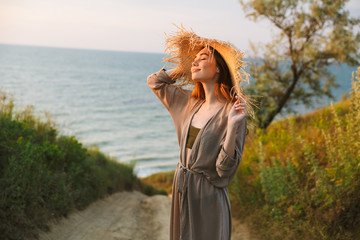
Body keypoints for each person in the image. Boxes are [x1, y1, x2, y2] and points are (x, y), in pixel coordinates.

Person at [147, 27, 250, 240]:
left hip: (209, 197)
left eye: (202, 58)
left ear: (219, 68)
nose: (195, 62)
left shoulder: (233, 113)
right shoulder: (188, 103)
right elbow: (155, 82)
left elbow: (225, 170)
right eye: (194, 59)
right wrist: (185, 68)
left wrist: (232, 127)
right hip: (182, 188)